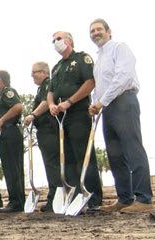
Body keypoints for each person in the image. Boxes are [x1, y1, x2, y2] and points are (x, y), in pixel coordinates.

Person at [88, 18, 153, 213]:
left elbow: (122, 78)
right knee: (115, 154)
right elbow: (101, 85)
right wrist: (95, 103)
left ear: (109, 31)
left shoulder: (119, 48)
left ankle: (144, 199)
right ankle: (125, 198)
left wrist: (102, 101)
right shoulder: (98, 59)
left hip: (124, 101)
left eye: (99, 29)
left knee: (132, 149)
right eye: (92, 31)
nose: (95, 33)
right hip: (107, 107)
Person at [47, 31, 103, 210]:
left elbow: (90, 82)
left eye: (58, 39)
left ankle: (93, 197)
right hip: (61, 118)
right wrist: (51, 105)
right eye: (53, 40)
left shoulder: (81, 59)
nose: (55, 42)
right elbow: (50, 92)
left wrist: (70, 102)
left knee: (84, 155)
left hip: (78, 113)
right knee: (67, 158)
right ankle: (75, 195)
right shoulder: (56, 67)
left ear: (69, 40)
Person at [23, 62, 61, 212]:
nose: (32, 76)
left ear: (44, 72)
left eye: (35, 72)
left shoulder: (48, 84)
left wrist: (33, 115)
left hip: (49, 128)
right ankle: (54, 197)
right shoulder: (42, 87)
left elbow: (46, 102)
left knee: (53, 164)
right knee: (50, 164)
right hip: (43, 129)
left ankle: (56, 198)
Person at [0, 70, 25, 213]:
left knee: (13, 168)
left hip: (10, 131)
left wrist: (2, 119)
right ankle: (14, 200)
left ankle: (17, 202)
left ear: (1, 80)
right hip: (4, 134)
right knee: (8, 169)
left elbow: (18, 107)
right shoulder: (1, 96)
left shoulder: (8, 92)